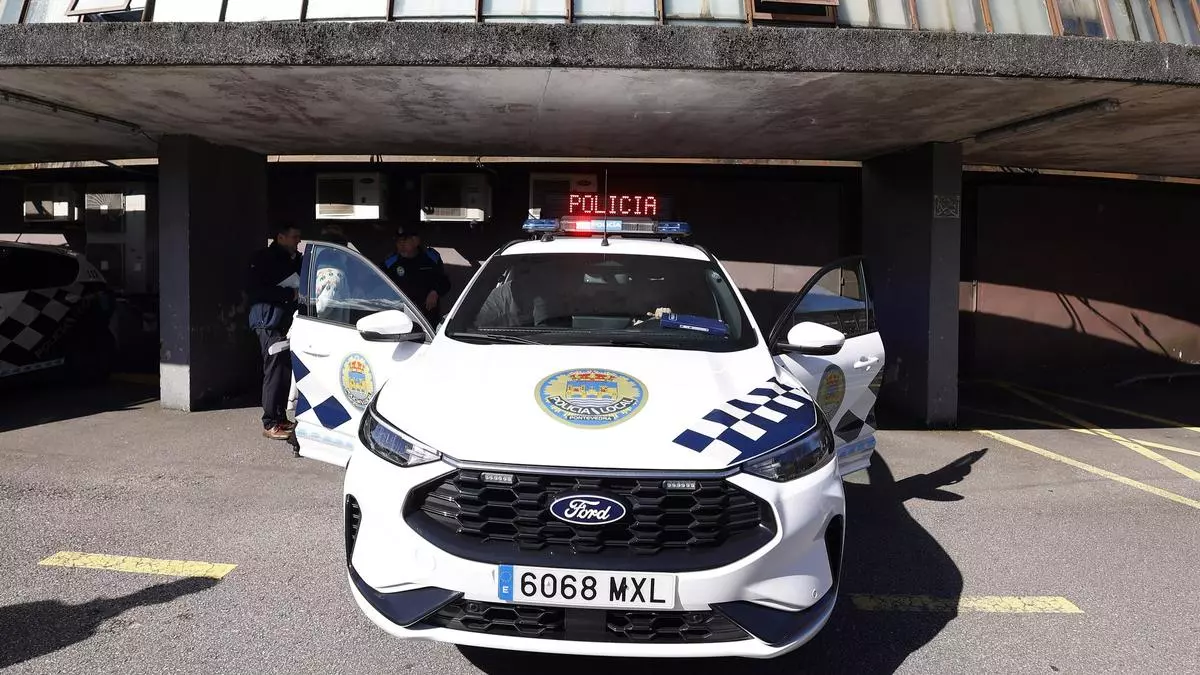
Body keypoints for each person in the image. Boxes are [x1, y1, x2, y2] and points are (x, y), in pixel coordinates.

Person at [245, 223, 302, 441]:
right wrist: (289, 294)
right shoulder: (263, 259)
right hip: (268, 320)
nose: (298, 241)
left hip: (285, 322)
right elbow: (256, 291)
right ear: (281, 237)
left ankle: (280, 417)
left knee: (284, 369)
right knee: (274, 370)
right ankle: (270, 422)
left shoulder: (293, 259)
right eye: (294, 236)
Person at [382, 224, 451, 325]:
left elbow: (444, 281)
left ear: (416, 241)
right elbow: (380, 284)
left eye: (404, 241)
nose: (401, 245)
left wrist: (435, 292)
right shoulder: (391, 262)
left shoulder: (431, 258)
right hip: (401, 314)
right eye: (398, 241)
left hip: (428, 314)